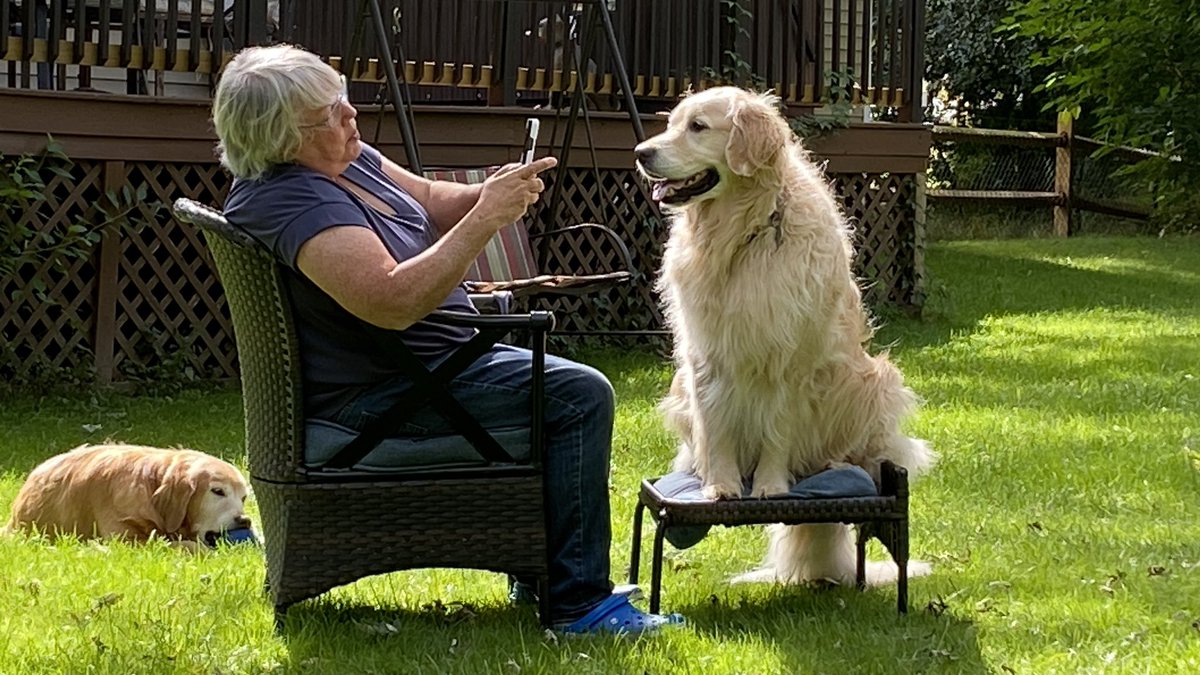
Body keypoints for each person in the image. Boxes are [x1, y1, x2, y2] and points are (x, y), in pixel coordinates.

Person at [210, 44, 683, 635]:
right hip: (384, 401)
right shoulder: (291, 199)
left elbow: (430, 204)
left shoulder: (340, 161)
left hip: (431, 371)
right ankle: (577, 604)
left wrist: (493, 194)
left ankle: (542, 571)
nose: (351, 115)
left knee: (561, 388)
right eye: (331, 112)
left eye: (343, 97)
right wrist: (485, 220)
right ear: (282, 138)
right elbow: (391, 301)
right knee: (578, 396)